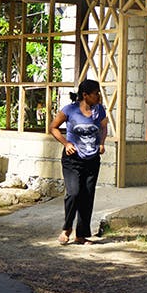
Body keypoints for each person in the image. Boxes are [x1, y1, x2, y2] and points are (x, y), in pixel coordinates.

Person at [49, 79, 107, 245]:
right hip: (72, 160)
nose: (98, 96)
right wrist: (66, 143)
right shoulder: (70, 110)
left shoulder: (99, 110)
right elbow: (53, 127)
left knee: (87, 196)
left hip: (92, 159)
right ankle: (66, 228)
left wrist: (102, 143)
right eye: (96, 93)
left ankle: (81, 234)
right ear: (85, 95)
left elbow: (103, 127)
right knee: (73, 193)